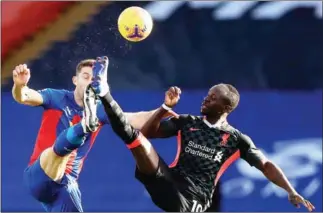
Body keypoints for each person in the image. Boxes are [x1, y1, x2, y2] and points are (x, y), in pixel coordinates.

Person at [90, 56, 315, 212]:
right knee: (134, 138)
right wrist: (164, 109)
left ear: (226, 108)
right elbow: (149, 134)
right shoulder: (188, 123)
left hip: (190, 202)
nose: (206, 99)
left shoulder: (236, 140)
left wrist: (291, 191)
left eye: (213, 97)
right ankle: (104, 92)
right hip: (166, 180)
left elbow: (266, 165)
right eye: (208, 94)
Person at [12, 60, 171, 212]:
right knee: (56, 154)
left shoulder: (101, 109)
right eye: (85, 77)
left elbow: (132, 119)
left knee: (67, 181)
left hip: (65, 187)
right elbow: (24, 96)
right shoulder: (55, 97)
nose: (89, 82)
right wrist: (20, 86)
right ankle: (84, 126)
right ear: (75, 80)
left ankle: (85, 125)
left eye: (93, 79)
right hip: (39, 174)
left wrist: (162, 109)